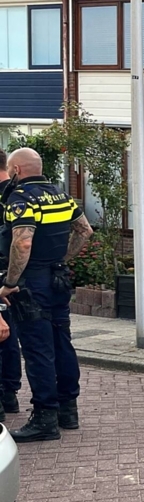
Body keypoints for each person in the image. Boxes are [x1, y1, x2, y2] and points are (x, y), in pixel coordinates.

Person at [0, 148, 93, 442]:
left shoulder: (21, 198)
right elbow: (85, 230)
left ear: (15, 170)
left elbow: (23, 242)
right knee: (61, 341)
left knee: (38, 348)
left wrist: (10, 281)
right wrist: (62, 259)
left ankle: (44, 417)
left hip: (32, 283)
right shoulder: (61, 195)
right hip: (58, 279)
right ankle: (69, 410)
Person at [0, 152, 22, 423]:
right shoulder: (20, 193)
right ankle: (10, 393)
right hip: (18, 274)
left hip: (4, 274)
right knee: (10, 334)